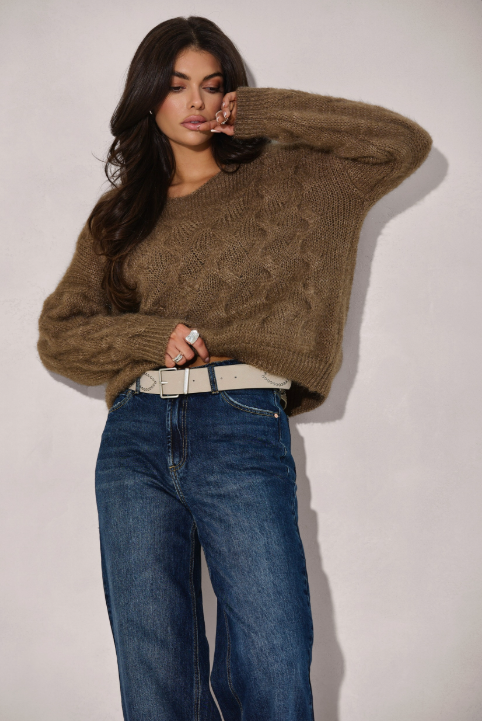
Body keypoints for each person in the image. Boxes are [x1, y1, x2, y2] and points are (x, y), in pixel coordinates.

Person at [36, 15, 432, 721]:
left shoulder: (295, 179)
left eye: (212, 85)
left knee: (273, 660)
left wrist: (261, 112)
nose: (195, 101)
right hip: (133, 438)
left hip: (239, 422)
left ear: (231, 94)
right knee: (154, 675)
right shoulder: (120, 215)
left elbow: (402, 145)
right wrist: (147, 335)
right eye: (176, 85)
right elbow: (59, 336)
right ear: (148, 98)